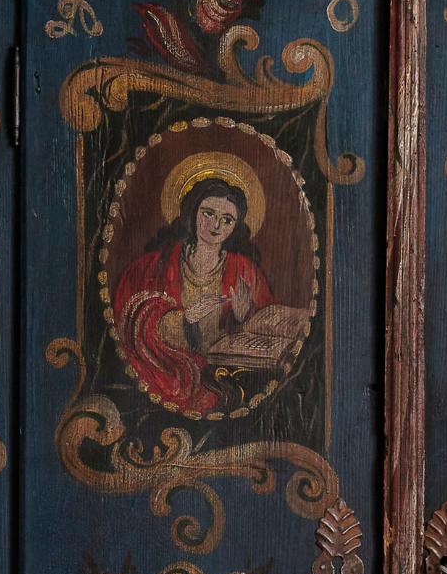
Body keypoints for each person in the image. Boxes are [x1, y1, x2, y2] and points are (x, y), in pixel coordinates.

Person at [112, 168, 303, 417]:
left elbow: (264, 328)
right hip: (172, 373)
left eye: (227, 220)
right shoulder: (155, 264)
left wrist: (244, 316)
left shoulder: (244, 269)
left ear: (235, 226)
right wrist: (185, 319)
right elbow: (128, 318)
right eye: (208, 213)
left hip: (228, 377)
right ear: (193, 212)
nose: (216, 226)